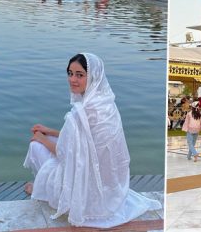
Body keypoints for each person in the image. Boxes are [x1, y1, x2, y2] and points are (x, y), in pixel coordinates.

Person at [22, 53, 161, 227]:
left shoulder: (81, 113)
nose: (72, 79)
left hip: (85, 183)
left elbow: (64, 153)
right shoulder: (107, 104)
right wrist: (49, 131)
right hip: (110, 186)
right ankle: (45, 183)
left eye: (79, 75)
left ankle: (43, 190)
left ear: (92, 76)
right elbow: (82, 139)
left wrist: (41, 139)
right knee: (47, 138)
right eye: (70, 73)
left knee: (35, 145)